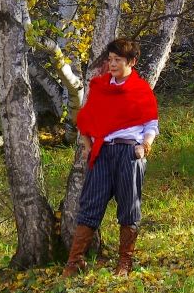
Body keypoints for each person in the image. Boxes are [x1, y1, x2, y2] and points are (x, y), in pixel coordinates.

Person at [62, 37, 159, 278]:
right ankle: (74, 262)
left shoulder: (141, 90)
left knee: (129, 207)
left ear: (132, 62)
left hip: (129, 153)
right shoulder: (100, 87)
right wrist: (88, 146)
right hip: (103, 152)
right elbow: (85, 119)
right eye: (110, 59)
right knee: (91, 205)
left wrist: (145, 147)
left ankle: (124, 263)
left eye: (118, 60)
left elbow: (151, 124)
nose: (112, 64)